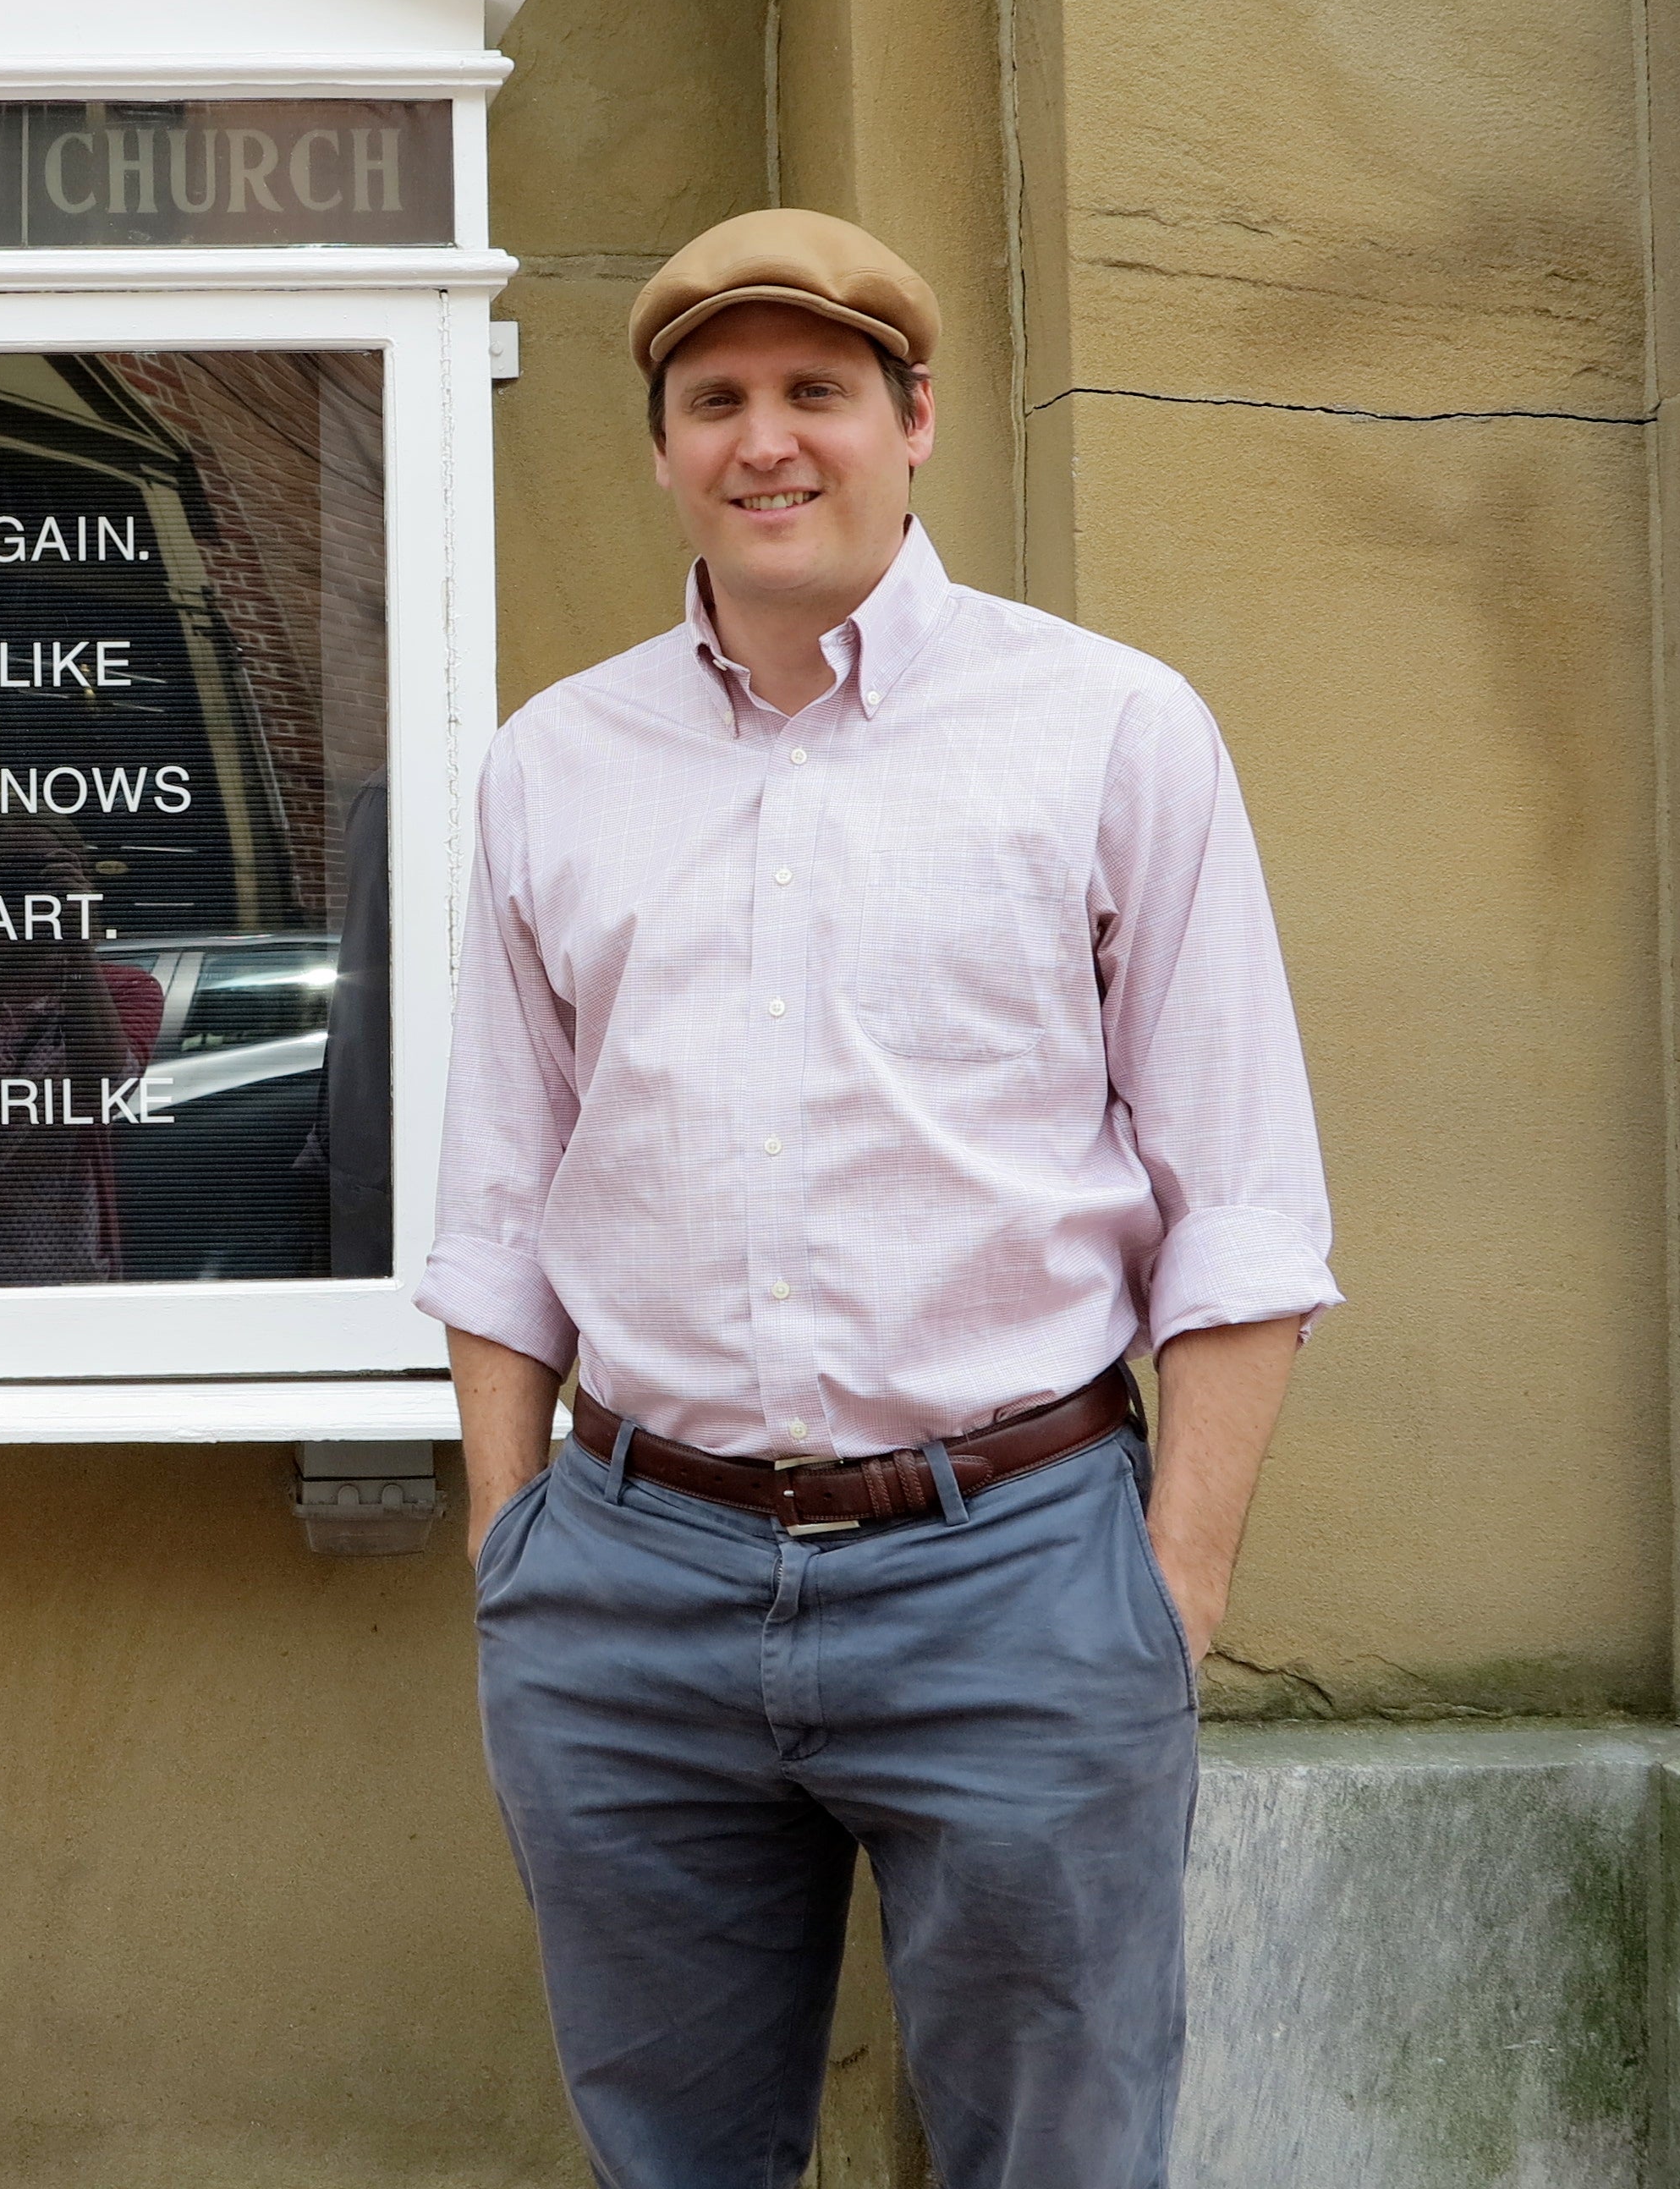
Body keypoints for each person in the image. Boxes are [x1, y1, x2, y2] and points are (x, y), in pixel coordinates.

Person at [419, 209, 1337, 2189]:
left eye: (815, 391)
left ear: (910, 420)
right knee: (669, 2157)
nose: (767, 440)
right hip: (629, 1590)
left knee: (1053, 2156)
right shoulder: (550, 767)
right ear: (661, 444)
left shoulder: (1105, 728)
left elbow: (1242, 1203)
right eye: (716, 398)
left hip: (1009, 1577)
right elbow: (498, 1201)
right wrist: (514, 1557)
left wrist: (1160, 1601)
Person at [0, 812, 165, 1284]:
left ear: (77, 881)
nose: (29, 896)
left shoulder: (126, 990)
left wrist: (76, 945)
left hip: (68, 1261)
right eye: (12, 878)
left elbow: (107, 1091)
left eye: (46, 874)